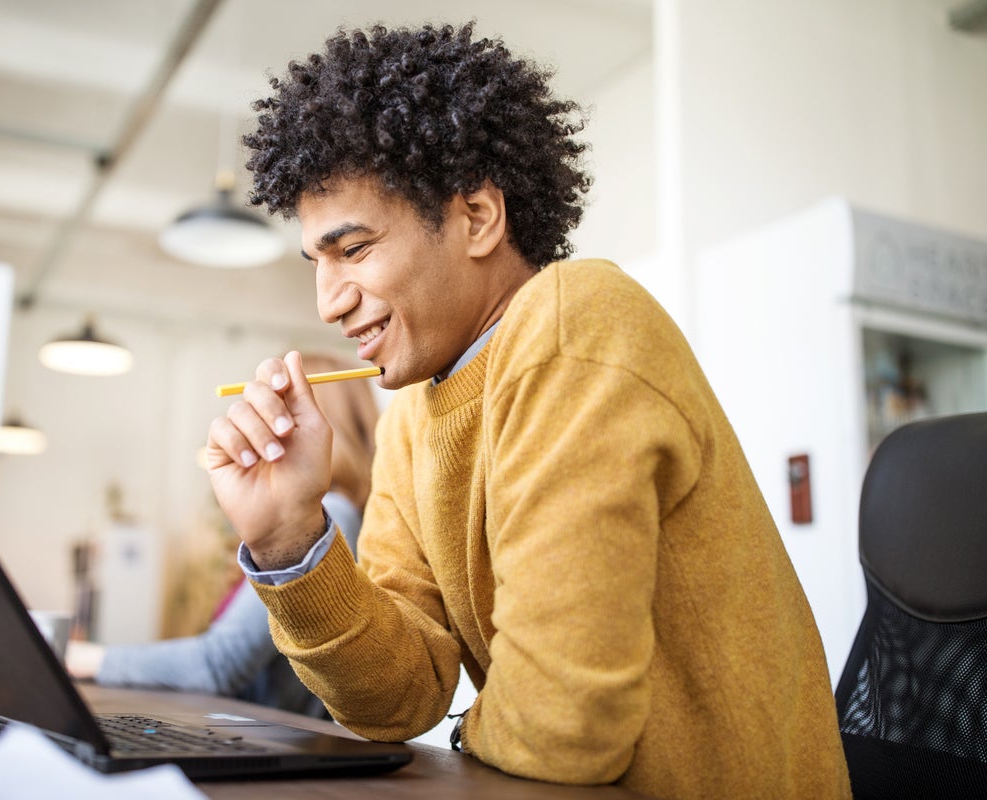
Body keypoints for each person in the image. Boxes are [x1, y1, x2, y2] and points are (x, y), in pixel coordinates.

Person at [205, 22, 851, 798]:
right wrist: (288, 537)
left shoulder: (572, 324)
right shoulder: (417, 407)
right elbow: (397, 699)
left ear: (478, 216)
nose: (329, 302)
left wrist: (466, 733)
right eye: (318, 262)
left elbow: (564, 728)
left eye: (355, 249)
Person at [66, 353, 379, 719]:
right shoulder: (324, 510)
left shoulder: (331, 514)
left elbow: (220, 664)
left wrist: (89, 658)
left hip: (266, 743)